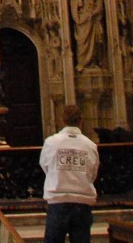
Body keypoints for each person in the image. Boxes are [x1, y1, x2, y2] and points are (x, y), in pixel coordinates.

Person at [40, 103, 100, 243]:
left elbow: (45, 166)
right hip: (82, 201)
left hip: (58, 201)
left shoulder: (51, 142)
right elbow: (92, 173)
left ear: (62, 120)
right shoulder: (90, 145)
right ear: (80, 121)